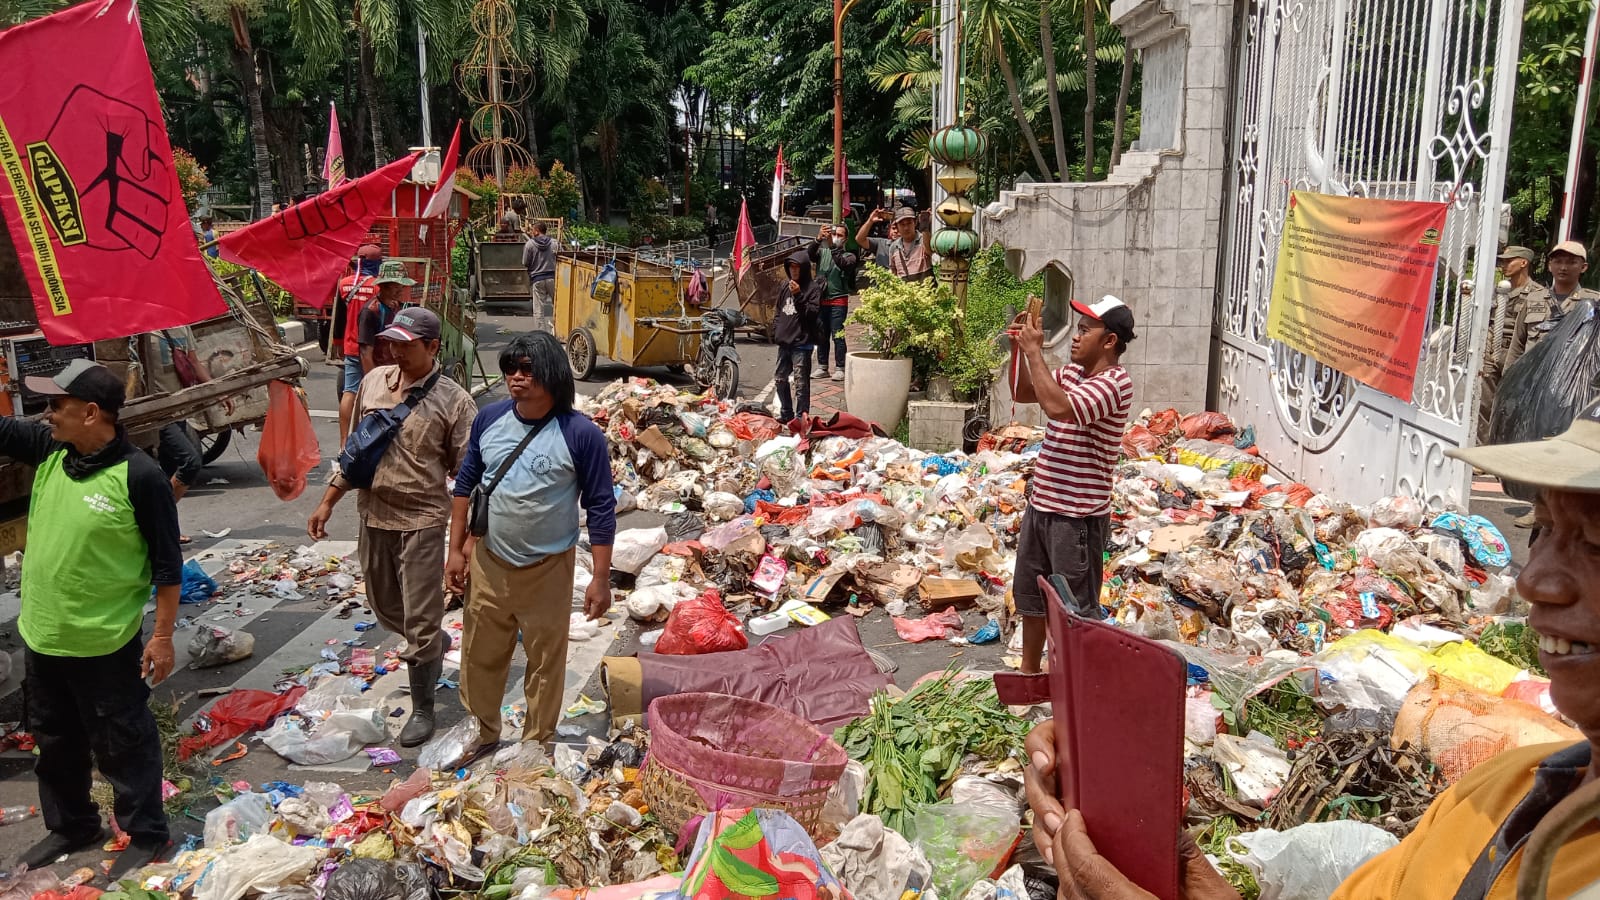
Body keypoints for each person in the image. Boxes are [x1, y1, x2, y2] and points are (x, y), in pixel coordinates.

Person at [1026, 402, 1600, 899]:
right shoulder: (1507, 792)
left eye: (1596, 543)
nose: (1535, 581)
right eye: (1542, 530)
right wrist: (1174, 865)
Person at [2, 360, 180, 878]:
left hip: (103, 641)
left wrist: (163, 637)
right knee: (54, 741)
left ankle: (147, 834)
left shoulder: (140, 477)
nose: (47, 414)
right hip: (44, 633)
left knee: (123, 743)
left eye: (57, 405)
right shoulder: (52, 452)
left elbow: (168, 568)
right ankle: (74, 824)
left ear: (91, 412)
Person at [308, 308, 478, 747]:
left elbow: (469, 476)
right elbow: (356, 454)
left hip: (422, 520)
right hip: (373, 515)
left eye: (408, 344)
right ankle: (430, 642)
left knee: (420, 617)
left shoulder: (455, 401)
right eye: (393, 343)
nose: (397, 351)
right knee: (384, 606)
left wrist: (464, 542)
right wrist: (328, 501)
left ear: (433, 347)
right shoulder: (372, 382)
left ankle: (423, 707)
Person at [447, 333, 615, 760]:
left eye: (527, 369)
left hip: (548, 569)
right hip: (489, 561)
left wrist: (600, 578)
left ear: (552, 375)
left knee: (545, 662)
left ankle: (536, 743)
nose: (516, 377)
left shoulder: (581, 435)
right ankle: (483, 731)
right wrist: (455, 549)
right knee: (480, 654)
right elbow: (466, 486)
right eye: (510, 368)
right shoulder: (489, 419)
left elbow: (600, 507)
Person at [1011, 296, 1136, 674]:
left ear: (1109, 341)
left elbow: (1060, 409)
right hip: (1042, 507)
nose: (1076, 338)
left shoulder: (1116, 383)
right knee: (1031, 600)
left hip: (1076, 520)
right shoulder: (1070, 374)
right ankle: (1030, 674)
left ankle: (1075, 688)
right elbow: (1024, 393)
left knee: (1074, 611)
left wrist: (1035, 351)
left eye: (1085, 331)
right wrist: (1020, 349)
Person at [1478, 246, 1546, 442]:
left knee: (1510, 405)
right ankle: (1482, 449)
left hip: (1516, 353)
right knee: (1484, 402)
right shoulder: (1497, 290)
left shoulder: (1537, 294)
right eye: (1503, 261)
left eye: (1509, 260)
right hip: (1492, 349)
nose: (1504, 265)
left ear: (1523, 262)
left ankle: (1504, 446)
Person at [339, 256, 408, 443]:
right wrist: (374, 380)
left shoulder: (392, 306)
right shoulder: (371, 311)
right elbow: (366, 352)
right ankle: (345, 443)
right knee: (353, 394)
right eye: (397, 286)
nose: (401, 290)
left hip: (377, 358)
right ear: (384, 286)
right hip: (366, 358)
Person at [1517, 240, 1600, 357]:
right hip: (1532, 372)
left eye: (1571, 262)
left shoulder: (1594, 302)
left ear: (1583, 267)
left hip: (1570, 373)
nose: (1563, 267)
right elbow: (1517, 344)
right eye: (1558, 261)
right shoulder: (1534, 298)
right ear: (1550, 266)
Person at [773, 250, 820, 424]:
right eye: (791, 267)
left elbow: (811, 314)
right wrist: (776, 330)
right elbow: (778, 310)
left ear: (804, 269)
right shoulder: (786, 286)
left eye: (797, 267)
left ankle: (801, 418)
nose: (794, 271)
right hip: (784, 342)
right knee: (780, 379)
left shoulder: (812, 289)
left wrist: (799, 295)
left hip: (802, 343)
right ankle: (786, 413)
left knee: (801, 384)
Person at [808, 224, 859, 382]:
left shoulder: (849, 256)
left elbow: (841, 263)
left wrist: (830, 245)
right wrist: (818, 239)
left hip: (838, 300)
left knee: (837, 334)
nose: (836, 236)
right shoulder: (822, 253)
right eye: (834, 233)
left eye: (840, 235)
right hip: (822, 300)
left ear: (845, 239)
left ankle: (840, 368)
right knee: (821, 334)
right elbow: (810, 254)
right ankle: (822, 366)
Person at [329, 244, 384, 370]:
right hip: (373, 349)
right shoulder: (379, 287)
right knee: (374, 386)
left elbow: (339, 318)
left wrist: (338, 343)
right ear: (377, 264)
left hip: (350, 346)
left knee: (350, 388)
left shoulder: (344, 284)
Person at [156, 421, 203, 544]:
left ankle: (167, 529)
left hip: (175, 413)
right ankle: (157, 519)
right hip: (156, 415)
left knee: (170, 468)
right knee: (191, 462)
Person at [855, 206, 932, 281]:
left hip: (925, 291)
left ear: (915, 223)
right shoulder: (892, 246)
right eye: (902, 224)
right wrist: (870, 221)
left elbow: (929, 250)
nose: (906, 228)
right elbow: (894, 273)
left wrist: (925, 225)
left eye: (909, 223)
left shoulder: (923, 240)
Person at [523, 221, 558, 334]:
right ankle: (558, 331)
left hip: (537, 279)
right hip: (553, 278)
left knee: (538, 310)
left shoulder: (529, 244)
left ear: (537, 231)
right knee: (557, 305)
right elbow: (561, 259)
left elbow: (525, 262)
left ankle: (541, 334)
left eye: (533, 230)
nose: (531, 232)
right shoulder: (554, 243)